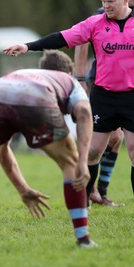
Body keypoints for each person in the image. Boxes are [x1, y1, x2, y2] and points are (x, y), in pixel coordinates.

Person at [0, 50, 97, 253]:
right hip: (35, 100)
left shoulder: (21, 75)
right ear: (69, 71)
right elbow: (84, 112)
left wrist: (22, 189)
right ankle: (83, 239)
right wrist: (83, 162)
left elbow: (2, 148)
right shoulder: (68, 80)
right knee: (71, 165)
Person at [3, 0, 134, 203]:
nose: (106, 5)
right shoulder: (95, 23)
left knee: (133, 151)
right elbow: (61, 37)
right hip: (104, 96)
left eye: (111, 1)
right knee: (92, 152)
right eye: (104, 0)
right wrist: (28, 46)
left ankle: (105, 193)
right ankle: (85, 204)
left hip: (131, 96)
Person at [73, 3, 134, 207]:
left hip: (128, 87)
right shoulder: (104, 15)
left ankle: (100, 191)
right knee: (113, 137)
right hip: (103, 83)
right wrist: (80, 77)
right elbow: (80, 42)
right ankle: (92, 191)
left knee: (116, 140)